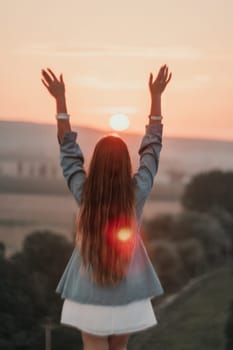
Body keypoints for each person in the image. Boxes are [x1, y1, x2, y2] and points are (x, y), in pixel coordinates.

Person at [41, 64, 172, 350]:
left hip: (86, 289)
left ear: (96, 163)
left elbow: (68, 152)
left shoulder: (84, 193)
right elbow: (152, 149)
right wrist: (156, 97)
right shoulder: (137, 193)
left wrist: (60, 100)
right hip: (129, 291)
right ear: (126, 164)